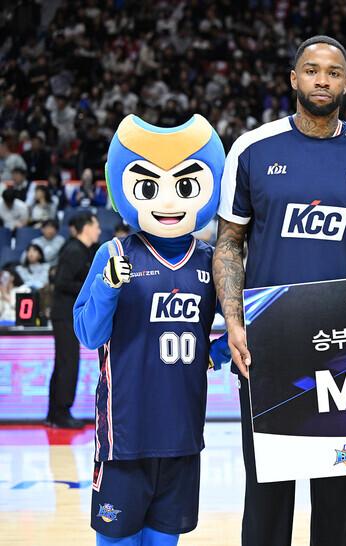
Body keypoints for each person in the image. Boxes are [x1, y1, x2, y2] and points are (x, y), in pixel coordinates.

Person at [213, 35, 346, 546]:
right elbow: (229, 243)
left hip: (345, 349)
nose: (323, 80)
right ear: (294, 78)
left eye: (333, 72)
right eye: (312, 70)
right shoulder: (252, 148)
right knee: (267, 494)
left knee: (337, 495)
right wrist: (233, 322)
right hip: (268, 345)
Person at [73, 114, 225, 546]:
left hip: (182, 435)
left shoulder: (210, 260)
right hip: (125, 435)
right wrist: (107, 288)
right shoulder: (114, 252)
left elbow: (237, 330)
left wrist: (214, 354)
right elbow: (88, 334)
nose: (169, 201)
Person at [47, 211, 100, 429]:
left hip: (66, 314)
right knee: (68, 363)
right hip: (65, 314)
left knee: (63, 363)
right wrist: (91, 287)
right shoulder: (74, 251)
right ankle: (61, 413)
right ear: (86, 227)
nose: (99, 230)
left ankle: (54, 413)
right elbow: (61, 283)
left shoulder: (82, 250)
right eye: (95, 226)